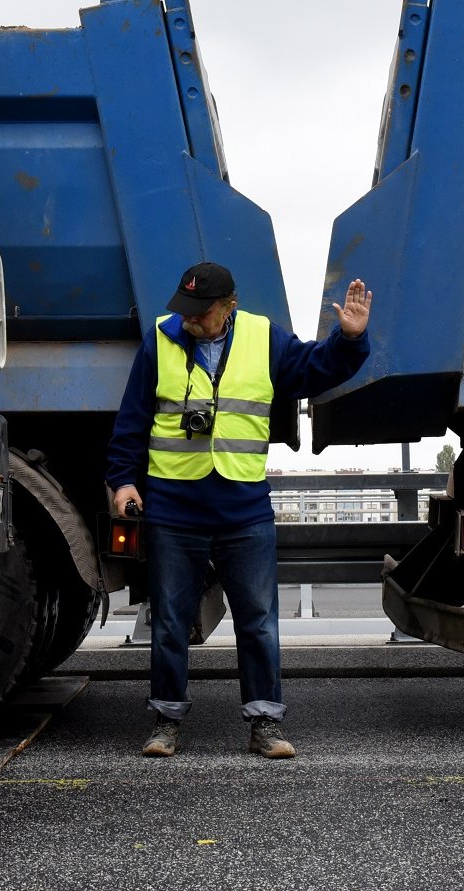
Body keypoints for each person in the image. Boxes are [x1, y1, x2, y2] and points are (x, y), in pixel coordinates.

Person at [106, 262, 372, 759]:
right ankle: (165, 722)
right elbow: (132, 420)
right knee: (168, 621)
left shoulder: (262, 337)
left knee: (258, 621)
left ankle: (265, 724)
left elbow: (316, 369)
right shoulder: (158, 341)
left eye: (199, 313)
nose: (188, 321)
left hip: (242, 507)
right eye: (182, 310)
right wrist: (123, 481)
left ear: (228, 307)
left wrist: (349, 340)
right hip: (173, 506)